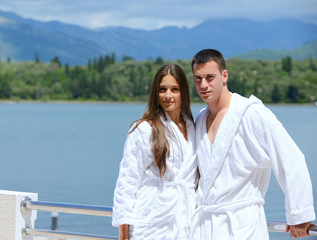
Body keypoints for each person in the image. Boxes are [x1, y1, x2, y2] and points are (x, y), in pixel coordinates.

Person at [189, 49, 316, 239]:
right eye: (198, 78)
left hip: (242, 227)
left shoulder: (252, 114)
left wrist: (300, 214)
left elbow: (290, 159)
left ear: (224, 76)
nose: (203, 85)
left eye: (210, 77)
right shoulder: (199, 119)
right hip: (205, 227)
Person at [112, 64, 198, 240]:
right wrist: (123, 232)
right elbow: (127, 181)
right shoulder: (144, 129)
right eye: (162, 89)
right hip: (150, 219)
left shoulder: (194, 127)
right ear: (155, 93)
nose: (168, 96)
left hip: (185, 217)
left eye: (174, 89)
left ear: (184, 92)